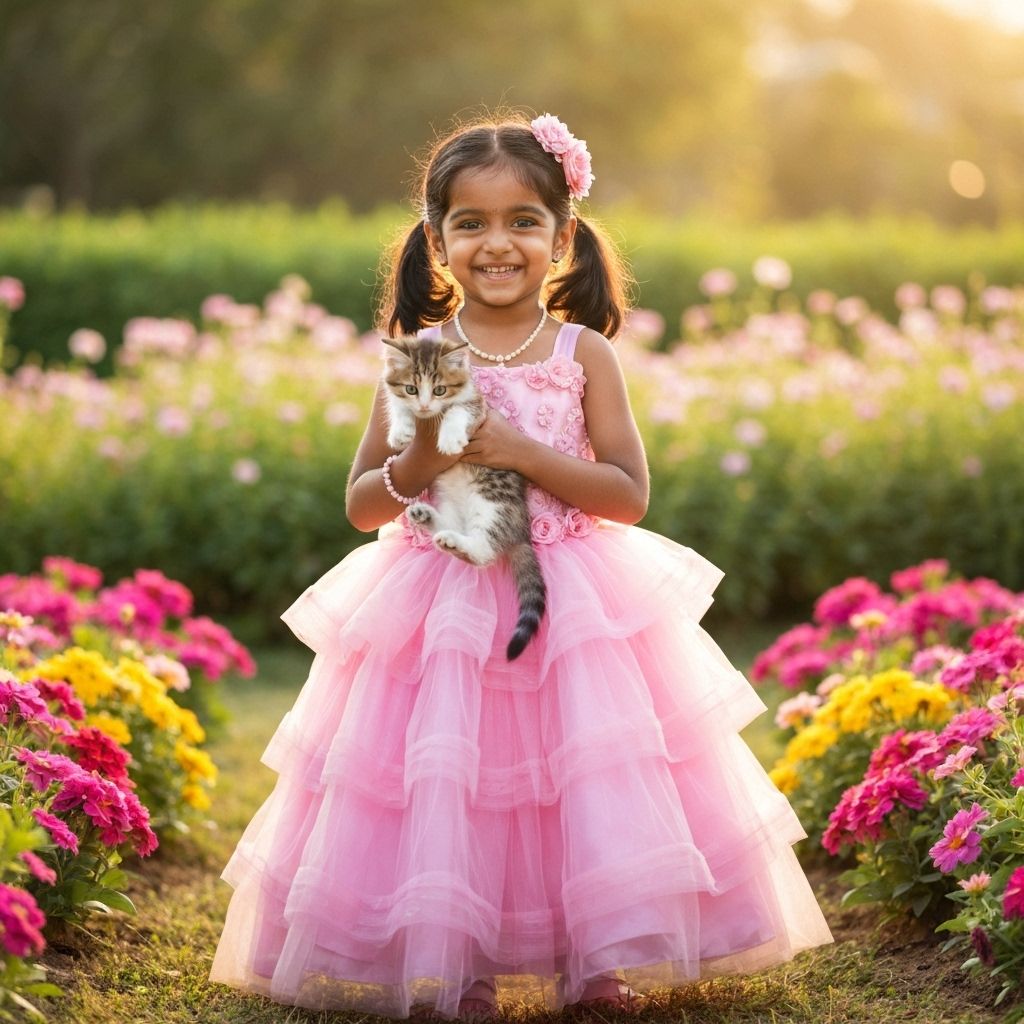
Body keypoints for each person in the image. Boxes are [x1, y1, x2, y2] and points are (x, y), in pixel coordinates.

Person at [208, 110, 833, 1020]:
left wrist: (519, 449)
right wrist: (422, 461)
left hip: (573, 598)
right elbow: (363, 502)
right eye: (470, 222)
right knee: (454, 786)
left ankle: (598, 957)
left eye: (522, 221)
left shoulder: (586, 355)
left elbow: (626, 494)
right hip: (443, 603)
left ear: (563, 237)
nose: (496, 242)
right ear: (436, 240)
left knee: (586, 781)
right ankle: (462, 962)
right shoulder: (421, 357)